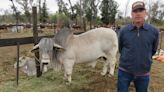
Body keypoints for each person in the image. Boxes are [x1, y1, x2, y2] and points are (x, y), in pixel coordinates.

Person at [118, 1, 159, 92]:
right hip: (124, 71)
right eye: (135, 11)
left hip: (143, 73)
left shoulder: (154, 31)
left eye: (140, 10)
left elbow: (153, 50)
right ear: (132, 14)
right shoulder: (124, 31)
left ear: (145, 13)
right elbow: (120, 49)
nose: (138, 13)